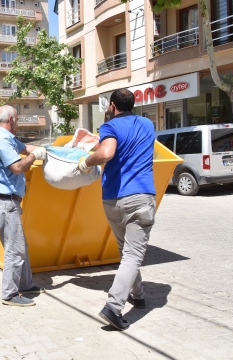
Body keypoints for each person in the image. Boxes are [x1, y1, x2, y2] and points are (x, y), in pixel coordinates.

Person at [78, 89, 156, 331]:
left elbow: (107, 152)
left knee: (127, 251)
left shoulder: (110, 126)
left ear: (111, 106)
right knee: (133, 253)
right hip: (140, 197)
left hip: (113, 199)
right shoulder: (147, 123)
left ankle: (139, 295)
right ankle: (113, 306)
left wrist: (85, 161)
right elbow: (113, 151)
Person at [0, 105, 47, 307]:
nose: (18, 123)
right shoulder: (1, 140)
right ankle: (10, 294)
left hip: (8, 201)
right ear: (11, 119)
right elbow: (18, 167)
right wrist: (34, 157)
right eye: (18, 120)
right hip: (5, 202)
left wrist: (45, 150)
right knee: (14, 249)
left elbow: (25, 148)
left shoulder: (7, 138)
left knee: (21, 246)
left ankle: (26, 284)